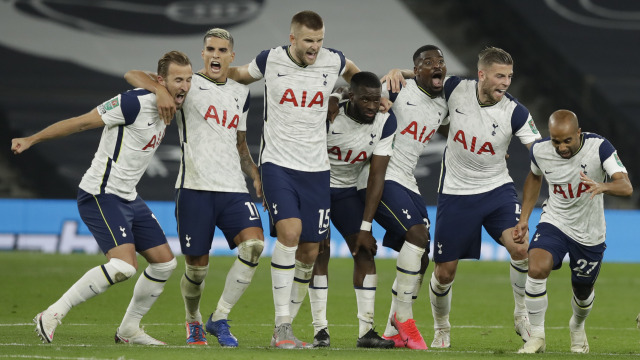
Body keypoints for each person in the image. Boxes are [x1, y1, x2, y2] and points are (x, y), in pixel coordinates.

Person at [12, 51, 193, 345]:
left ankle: (129, 330)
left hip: (129, 197)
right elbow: (81, 122)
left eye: (188, 79)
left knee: (164, 264)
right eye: (177, 80)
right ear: (161, 80)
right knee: (123, 266)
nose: (184, 86)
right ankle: (53, 313)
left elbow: (137, 72)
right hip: (100, 193)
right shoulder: (133, 103)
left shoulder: (177, 101)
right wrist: (32, 139)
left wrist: (164, 90)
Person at [225, 10, 363, 349]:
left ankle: (282, 330)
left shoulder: (333, 60)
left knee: (310, 252)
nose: (315, 48)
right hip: (278, 164)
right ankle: (283, 325)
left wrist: (366, 92)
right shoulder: (270, 59)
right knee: (290, 232)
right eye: (308, 41)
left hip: (317, 169)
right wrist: (197, 76)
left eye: (319, 41)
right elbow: (239, 74)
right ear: (292, 39)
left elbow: (354, 74)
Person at [124, 28, 264, 348]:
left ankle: (220, 316)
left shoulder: (241, 93)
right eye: (210, 49)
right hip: (194, 188)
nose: (216, 54)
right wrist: (160, 92)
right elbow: (132, 74)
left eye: (222, 50)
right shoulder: (187, 83)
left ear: (231, 56)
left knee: (254, 246)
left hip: (233, 188)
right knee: (197, 270)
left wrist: (254, 174)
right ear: (203, 54)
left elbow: (240, 142)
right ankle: (193, 320)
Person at [427, 47, 541, 348]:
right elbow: (419, 78)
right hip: (456, 193)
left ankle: (521, 315)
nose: (505, 83)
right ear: (482, 74)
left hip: (496, 190)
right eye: (499, 76)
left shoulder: (515, 112)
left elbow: (540, 152)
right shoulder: (456, 88)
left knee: (520, 246)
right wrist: (394, 76)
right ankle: (441, 328)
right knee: (444, 272)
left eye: (510, 77)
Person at [514, 110, 632, 353]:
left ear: (578, 133)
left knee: (582, 290)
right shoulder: (540, 151)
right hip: (555, 221)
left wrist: (603, 186)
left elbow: (626, 186)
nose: (562, 147)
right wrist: (524, 218)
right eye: (556, 141)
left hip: (590, 231)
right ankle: (536, 336)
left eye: (567, 140)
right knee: (536, 267)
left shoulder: (600, 147)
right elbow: (534, 177)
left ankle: (577, 326)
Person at [355, 45, 448, 350]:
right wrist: (399, 74)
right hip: (380, 175)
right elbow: (361, 105)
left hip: (407, 179)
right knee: (418, 236)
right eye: (428, 63)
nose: (437, 66)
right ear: (417, 69)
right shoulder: (395, 89)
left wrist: (407, 69)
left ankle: (393, 328)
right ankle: (404, 318)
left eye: (440, 62)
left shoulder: (444, 102)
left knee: (422, 256)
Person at [305, 71, 396, 348]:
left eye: (375, 99)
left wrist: (366, 228)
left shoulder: (385, 121)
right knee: (320, 251)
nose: (371, 105)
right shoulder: (330, 116)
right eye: (365, 99)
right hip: (317, 186)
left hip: (347, 192)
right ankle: (320, 330)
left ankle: (367, 331)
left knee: (365, 250)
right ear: (352, 97)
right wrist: (334, 96)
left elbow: (376, 177)